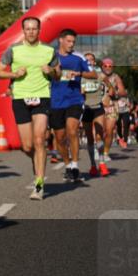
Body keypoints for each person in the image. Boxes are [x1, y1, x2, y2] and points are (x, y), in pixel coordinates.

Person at [0, 17, 60, 200]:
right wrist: (14, 74)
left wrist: (51, 71)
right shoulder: (13, 50)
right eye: (28, 29)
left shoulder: (49, 50)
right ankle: (36, 160)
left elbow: (58, 74)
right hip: (21, 98)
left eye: (34, 29)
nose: (31, 32)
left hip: (42, 96)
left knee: (40, 140)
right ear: (23, 31)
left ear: (39, 30)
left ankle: (39, 184)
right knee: (27, 146)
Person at [49, 29, 95, 183]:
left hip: (74, 100)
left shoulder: (78, 57)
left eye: (73, 42)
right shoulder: (51, 57)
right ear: (60, 40)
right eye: (68, 41)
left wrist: (79, 73)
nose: (71, 44)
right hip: (55, 101)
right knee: (60, 138)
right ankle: (68, 165)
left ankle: (75, 165)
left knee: (72, 130)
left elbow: (93, 74)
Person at [97, 57, 127, 172]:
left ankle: (105, 153)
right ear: (102, 66)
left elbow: (123, 92)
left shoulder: (116, 77)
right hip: (98, 105)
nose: (108, 68)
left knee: (109, 130)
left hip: (112, 106)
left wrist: (115, 92)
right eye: (106, 66)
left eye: (110, 66)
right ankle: (98, 150)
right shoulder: (97, 75)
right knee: (101, 130)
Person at [80, 52, 107, 176]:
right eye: (86, 60)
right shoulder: (80, 76)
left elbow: (110, 88)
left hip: (98, 107)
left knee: (99, 135)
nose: (89, 62)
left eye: (91, 60)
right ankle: (92, 165)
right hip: (86, 108)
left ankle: (102, 162)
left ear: (94, 62)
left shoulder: (100, 75)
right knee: (90, 137)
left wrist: (107, 96)